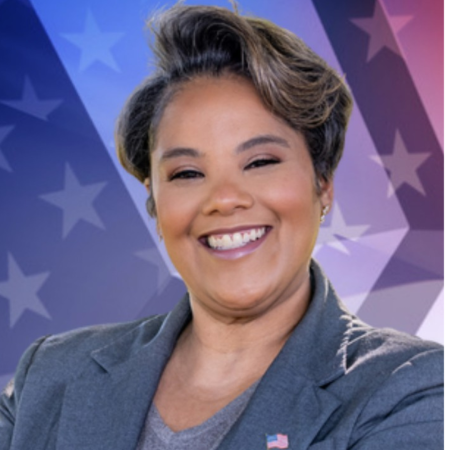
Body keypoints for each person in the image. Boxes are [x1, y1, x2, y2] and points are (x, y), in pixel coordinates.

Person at [0, 4, 443, 450]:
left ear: (322, 183)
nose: (225, 198)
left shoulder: (412, 391)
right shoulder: (51, 374)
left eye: (260, 162)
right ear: (154, 202)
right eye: (187, 173)